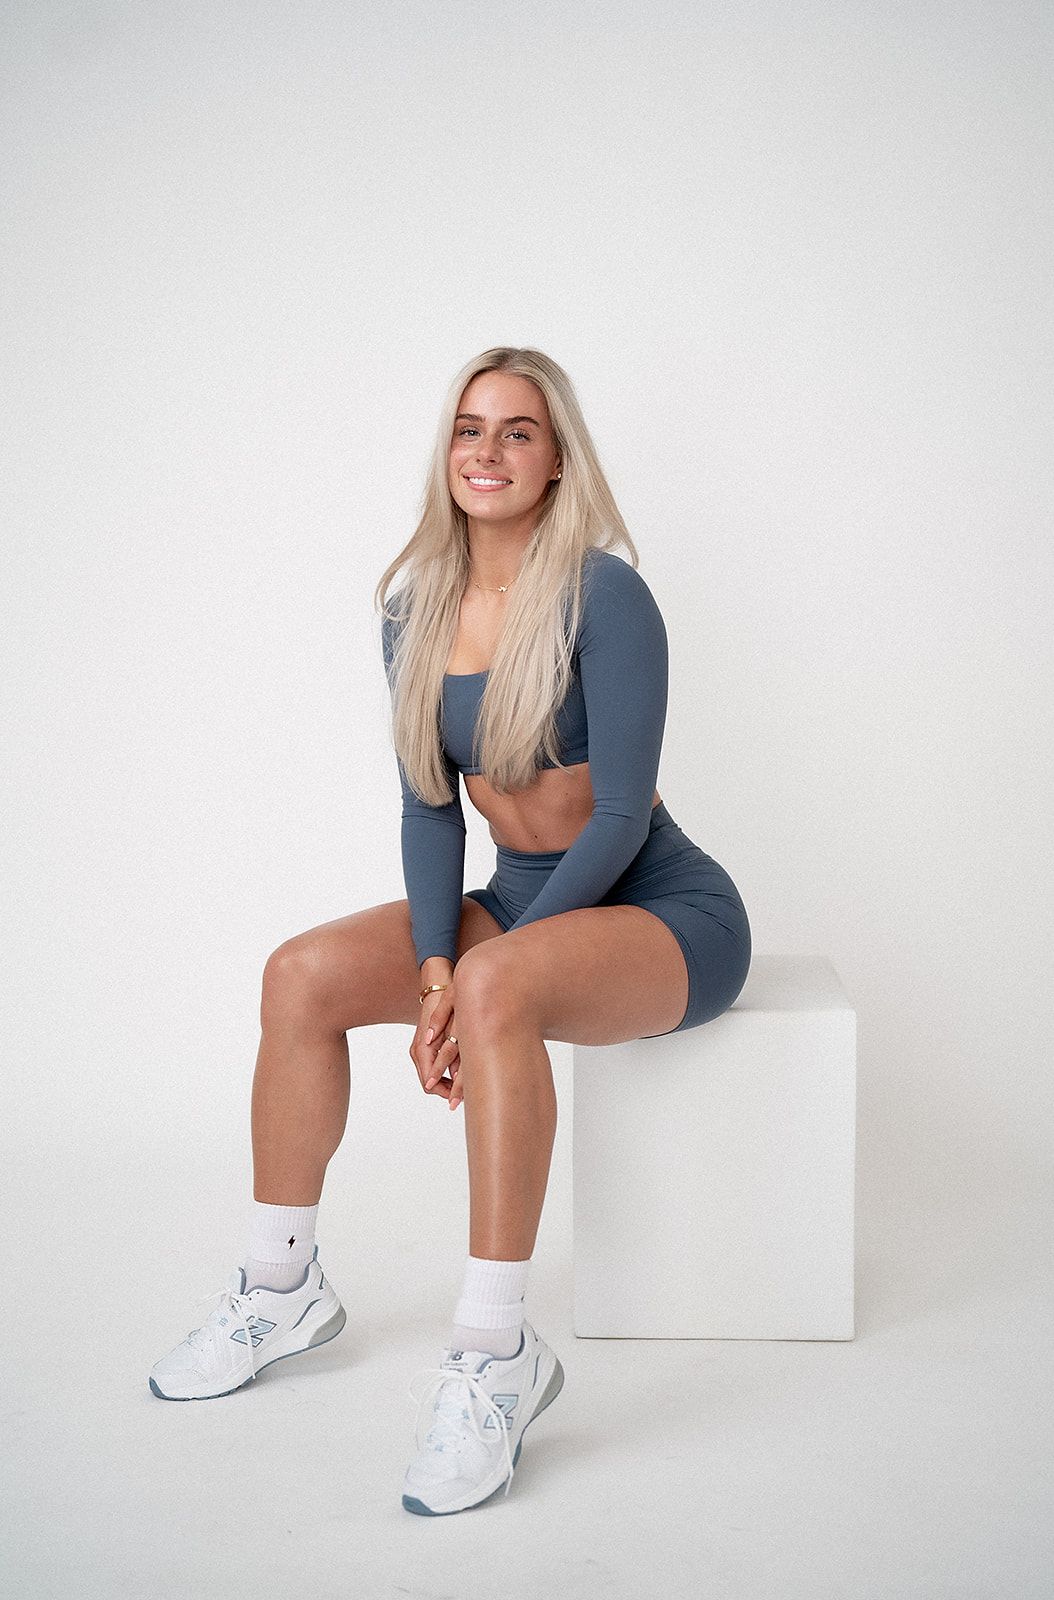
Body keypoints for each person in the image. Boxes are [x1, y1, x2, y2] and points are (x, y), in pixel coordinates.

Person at [149, 346, 751, 1517]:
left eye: (517, 431)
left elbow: (621, 815)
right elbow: (430, 806)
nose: (487, 450)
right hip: (520, 896)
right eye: (469, 428)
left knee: (497, 987)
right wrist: (440, 967)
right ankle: (281, 1287)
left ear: (556, 457)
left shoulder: (602, 593)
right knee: (302, 974)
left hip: (662, 906)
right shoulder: (413, 610)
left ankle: (494, 1354)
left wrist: (481, 986)